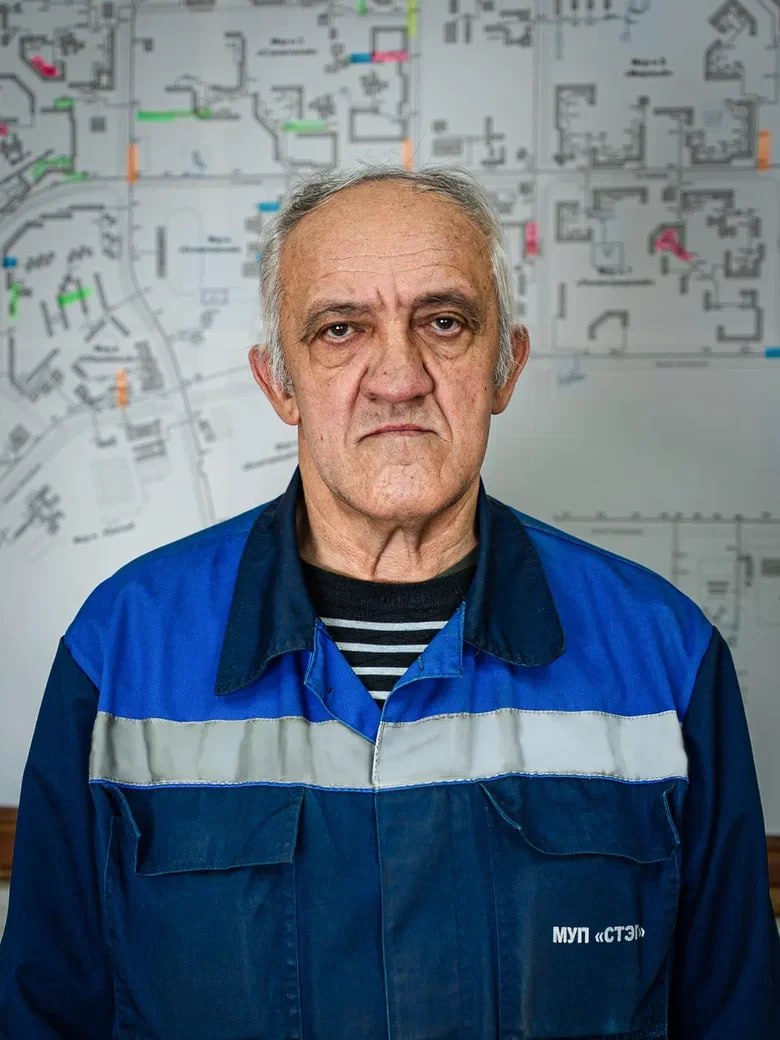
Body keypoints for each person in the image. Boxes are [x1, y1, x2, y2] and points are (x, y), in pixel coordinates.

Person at [0, 165, 777, 1040]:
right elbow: (44, 1016)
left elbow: (735, 1016)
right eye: (340, 329)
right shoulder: (120, 652)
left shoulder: (666, 657)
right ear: (279, 382)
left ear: (505, 367)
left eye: (444, 323)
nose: (399, 377)